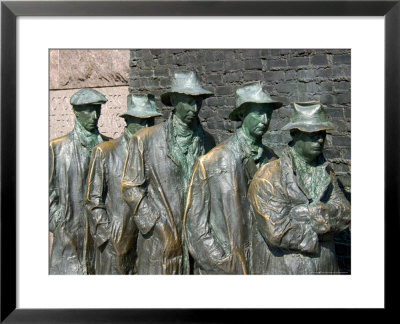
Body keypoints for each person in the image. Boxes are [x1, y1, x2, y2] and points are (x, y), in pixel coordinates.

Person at [121, 71, 215, 274]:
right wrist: (157, 224)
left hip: (197, 244)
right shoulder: (145, 140)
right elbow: (130, 187)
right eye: (189, 101)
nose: (195, 108)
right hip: (159, 242)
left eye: (198, 102)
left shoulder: (209, 142)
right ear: (174, 100)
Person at [183, 81, 282, 274]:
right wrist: (221, 261)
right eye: (258, 112)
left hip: (264, 264)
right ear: (242, 114)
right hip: (226, 268)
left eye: (268, 113)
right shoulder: (213, 161)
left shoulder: (273, 161)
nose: (265, 119)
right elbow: (195, 224)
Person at [247, 101, 351, 274]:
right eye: (312, 134)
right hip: (286, 269)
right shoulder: (269, 176)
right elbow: (278, 233)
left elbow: (345, 214)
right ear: (295, 134)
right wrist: (325, 230)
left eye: (322, 133)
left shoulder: (326, 171)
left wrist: (311, 213)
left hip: (326, 267)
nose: (319, 139)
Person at [85, 94, 161, 274]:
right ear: (128, 121)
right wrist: (107, 236)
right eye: (142, 121)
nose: (147, 127)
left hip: (147, 241)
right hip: (116, 243)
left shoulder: (153, 152)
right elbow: (92, 200)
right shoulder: (105, 152)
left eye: (150, 121)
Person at [49, 88, 109, 274]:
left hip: (101, 240)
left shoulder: (109, 146)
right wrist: (58, 223)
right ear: (75, 111)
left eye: (97, 109)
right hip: (69, 239)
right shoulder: (57, 148)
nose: (94, 115)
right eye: (88, 109)